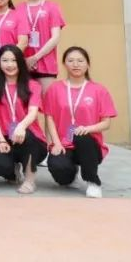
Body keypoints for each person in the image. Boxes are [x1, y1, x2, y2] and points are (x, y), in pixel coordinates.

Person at [44, 46, 117, 198]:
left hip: (90, 145)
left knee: (82, 137)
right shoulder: (55, 89)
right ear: (64, 64)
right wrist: (56, 143)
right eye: (71, 61)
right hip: (64, 144)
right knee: (59, 171)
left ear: (87, 64)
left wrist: (88, 129)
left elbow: (106, 122)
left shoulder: (99, 90)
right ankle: (71, 175)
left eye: (80, 61)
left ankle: (93, 182)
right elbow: (49, 117)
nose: (75, 64)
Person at [0, 45, 47, 194]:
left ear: (20, 62)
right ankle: (12, 172)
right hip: (5, 137)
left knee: (27, 136)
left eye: (14, 60)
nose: (9, 65)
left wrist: (21, 126)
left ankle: (30, 180)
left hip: (31, 139)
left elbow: (33, 112)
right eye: (5, 60)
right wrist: (1, 140)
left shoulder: (33, 85)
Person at [20, 0, 65, 91]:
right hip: (23, 64)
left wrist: (35, 58)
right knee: (24, 101)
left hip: (46, 64)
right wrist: (23, 60)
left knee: (47, 100)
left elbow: (55, 38)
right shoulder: (19, 8)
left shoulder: (52, 7)